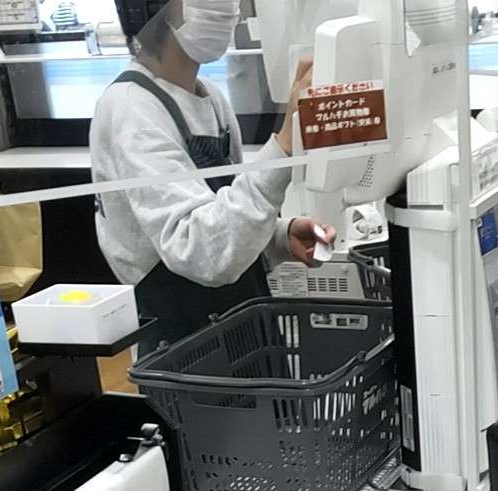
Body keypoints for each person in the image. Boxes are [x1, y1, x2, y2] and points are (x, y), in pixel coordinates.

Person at [91, 1, 333, 352]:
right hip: (185, 345)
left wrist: (278, 236)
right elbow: (202, 252)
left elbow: (222, 220)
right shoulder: (130, 109)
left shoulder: (210, 96)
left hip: (243, 325)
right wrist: (285, 145)